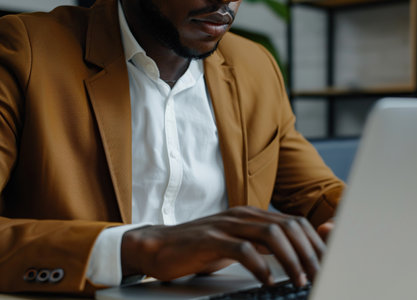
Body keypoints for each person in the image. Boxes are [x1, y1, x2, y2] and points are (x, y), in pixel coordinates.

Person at [0, 0, 345, 296]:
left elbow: (316, 194)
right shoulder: (25, 50)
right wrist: (140, 248)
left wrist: (366, 221)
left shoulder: (255, 66)